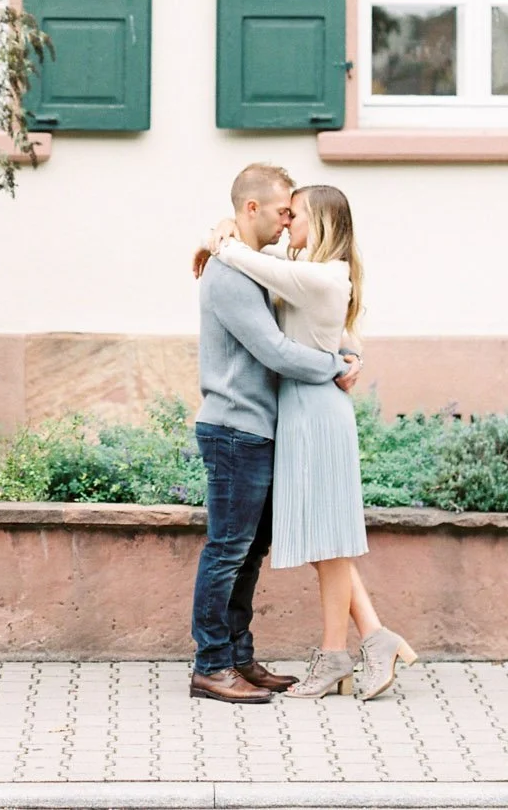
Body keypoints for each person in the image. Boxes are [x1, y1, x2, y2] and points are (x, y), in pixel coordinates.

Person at [207, 183, 418, 701]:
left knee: (328, 538)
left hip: (315, 411)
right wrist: (351, 354)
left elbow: (242, 257)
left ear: (318, 223)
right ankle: (368, 639)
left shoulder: (320, 275)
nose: (286, 225)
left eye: (294, 216)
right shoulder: (312, 275)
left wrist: (220, 237)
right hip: (301, 410)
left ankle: (337, 655)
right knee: (325, 539)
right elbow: (333, 334)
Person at [189, 163, 359, 705]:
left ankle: (238, 657)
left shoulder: (254, 263)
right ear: (253, 209)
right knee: (227, 550)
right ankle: (211, 664)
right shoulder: (231, 273)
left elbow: (311, 310)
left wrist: (347, 349)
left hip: (258, 430)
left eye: (295, 213)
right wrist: (333, 365)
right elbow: (276, 351)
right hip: (234, 429)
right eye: (283, 210)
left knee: (248, 551)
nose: (288, 222)